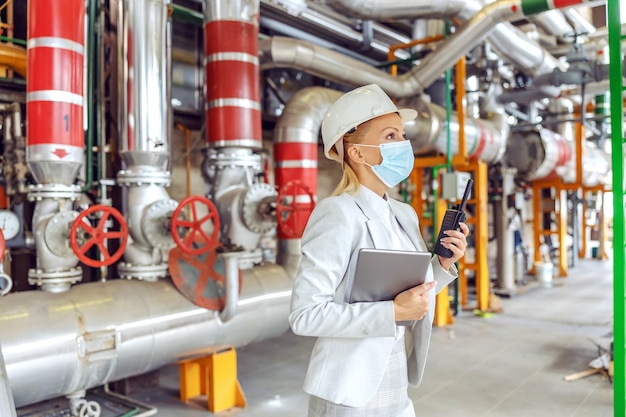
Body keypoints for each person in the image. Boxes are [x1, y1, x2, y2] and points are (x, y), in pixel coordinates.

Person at [288, 83, 470, 417]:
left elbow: (407, 293)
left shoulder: (403, 214)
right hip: (348, 391)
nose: (403, 144)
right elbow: (305, 315)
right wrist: (391, 314)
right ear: (356, 153)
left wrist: (442, 264)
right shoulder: (337, 213)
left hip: (395, 381)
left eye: (402, 134)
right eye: (390, 136)